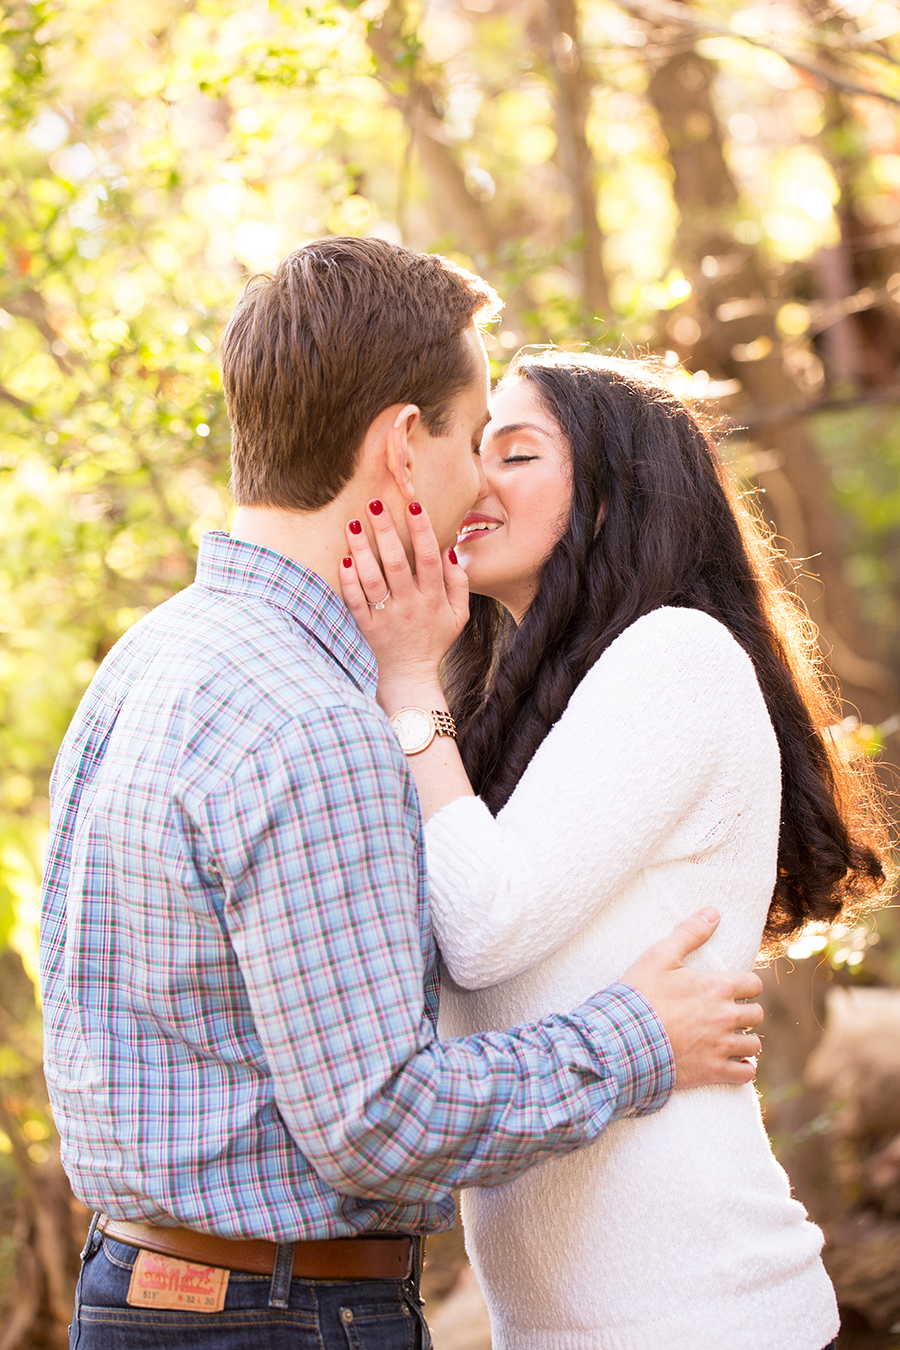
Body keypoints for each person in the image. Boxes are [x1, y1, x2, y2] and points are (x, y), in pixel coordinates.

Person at [40, 239, 765, 1350]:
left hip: (148, 1287)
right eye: (474, 440)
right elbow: (379, 1125)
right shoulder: (317, 722)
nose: (478, 481)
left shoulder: (156, 656)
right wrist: (636, 1040)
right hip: (277, 1313)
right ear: (401, 444)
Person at [338, 348, 888, 1350]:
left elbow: (484, 929)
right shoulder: (512, 714)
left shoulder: (675, 659)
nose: (474, 479)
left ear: (611, 495)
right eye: (472, 450)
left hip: (702, 1314)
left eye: (517, 453)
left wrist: (407, 684)